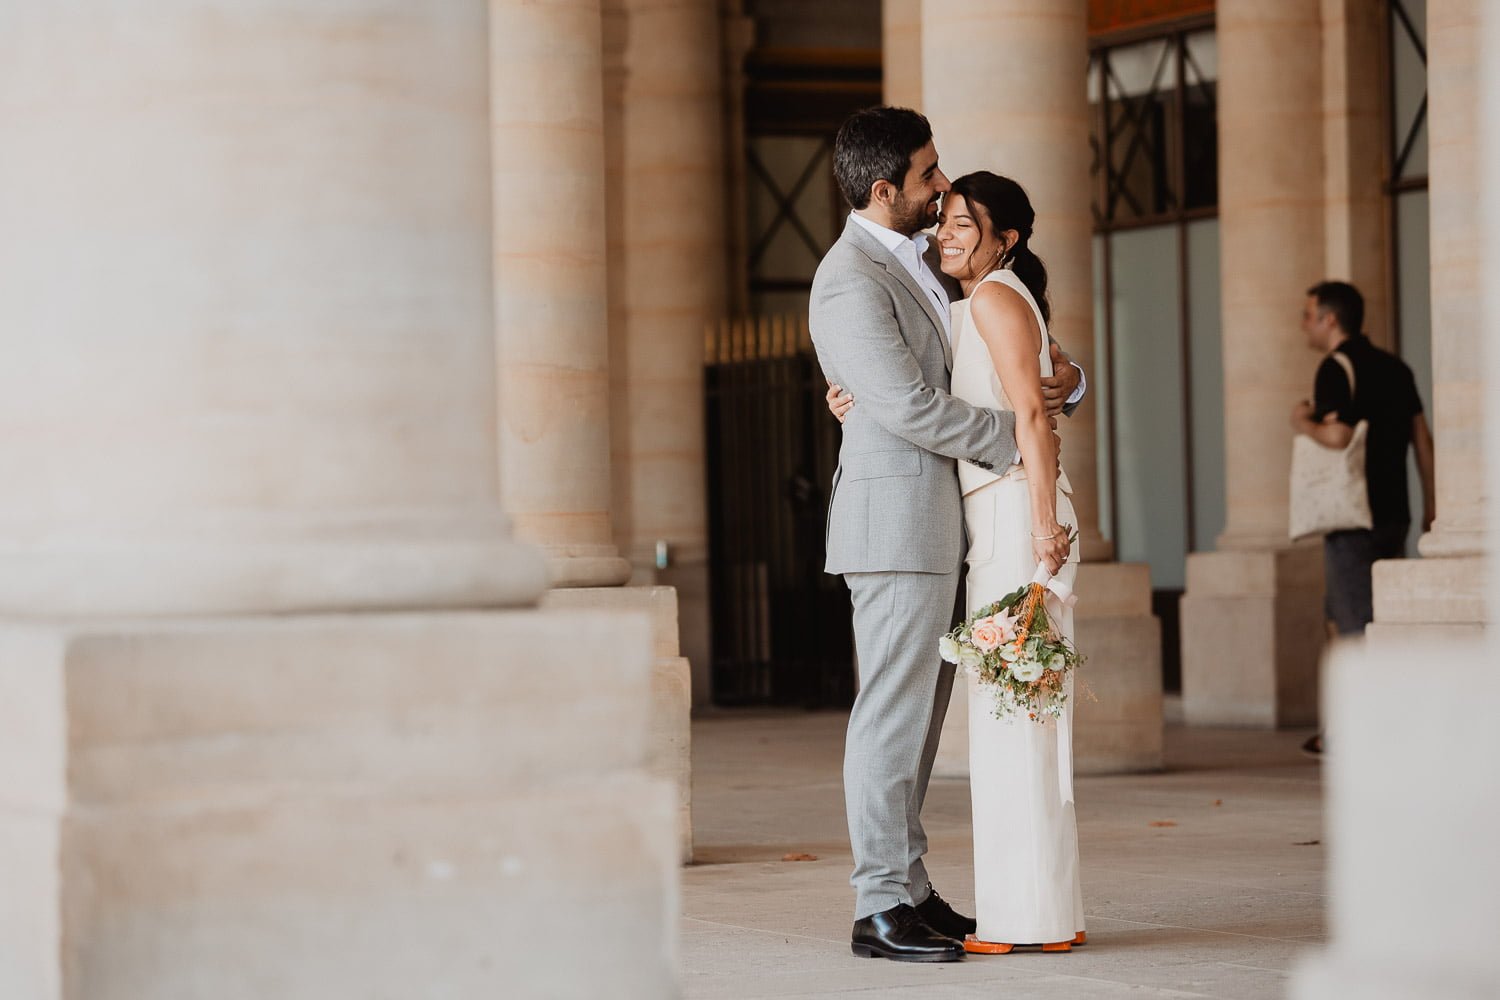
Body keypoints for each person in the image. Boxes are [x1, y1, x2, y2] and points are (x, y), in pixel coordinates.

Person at [808, 106, 1084, 964]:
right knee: (890, 717)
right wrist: (1017, 440)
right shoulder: (850, 277)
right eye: (930, 175)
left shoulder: (934, 260)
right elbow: (905, 404)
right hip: (895, 527)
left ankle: (914, 890)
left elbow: (1013, 349)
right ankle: (879, 904)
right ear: (885, 189)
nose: (942, 186)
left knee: (921, 722)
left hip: (944, 522)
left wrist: (1060, 391)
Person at [1292, 280, 1435, 755]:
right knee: (1378, 621)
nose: (1304, 323)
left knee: (1351, 625)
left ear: (1330, 319)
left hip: (1352, 515)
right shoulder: (1397, 367)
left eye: (1309, 314)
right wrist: (1433, 504)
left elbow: (1338, 438)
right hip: (1396, 513)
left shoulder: (1335, 368)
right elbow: (1422, 441)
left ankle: (1360, 729)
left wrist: (1303, 422)